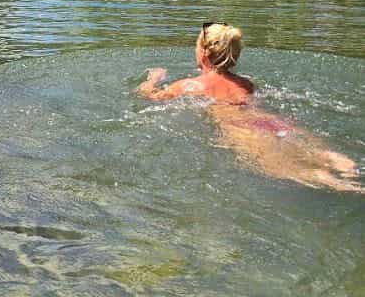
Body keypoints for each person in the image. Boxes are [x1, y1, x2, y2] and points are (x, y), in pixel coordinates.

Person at [139, 24, 361, 191]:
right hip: (270, 121)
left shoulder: (189, 85)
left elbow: (152, 97)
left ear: (204, 53)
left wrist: (152, 79)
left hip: (239, 128)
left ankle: (344, 185)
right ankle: (340, 163)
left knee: (283, 168)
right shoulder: (246, 84)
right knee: (317, 152)